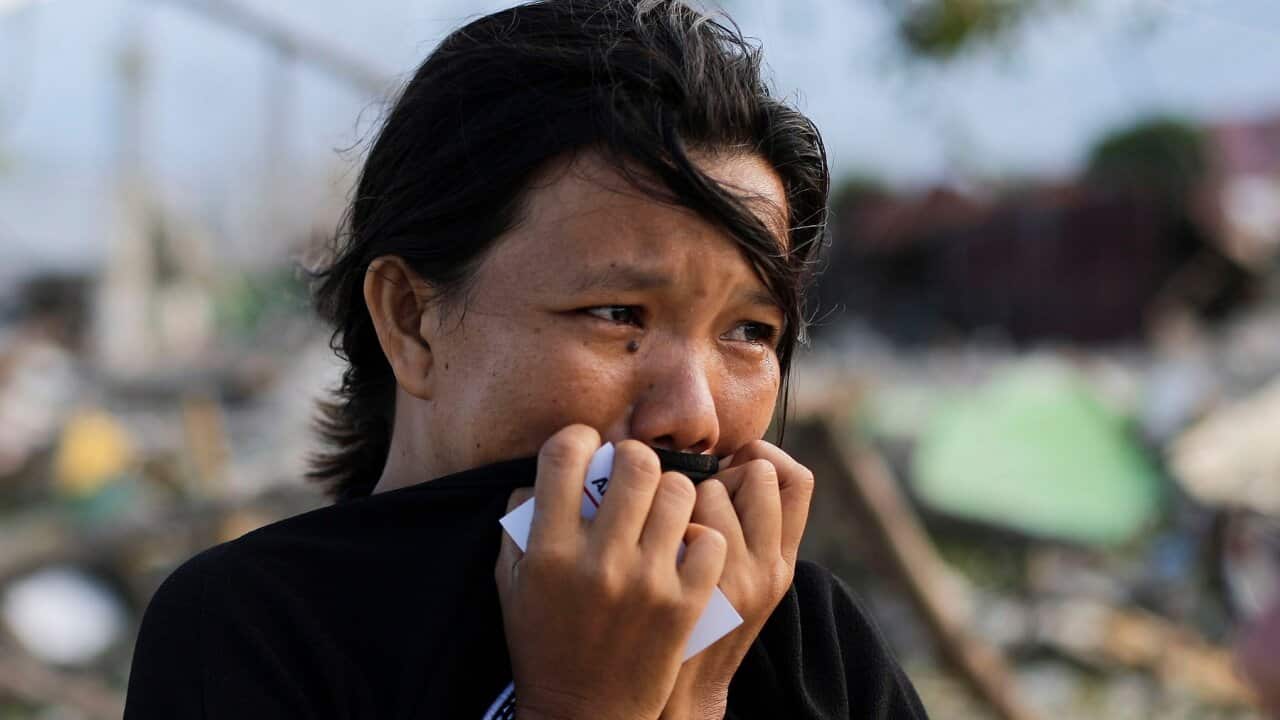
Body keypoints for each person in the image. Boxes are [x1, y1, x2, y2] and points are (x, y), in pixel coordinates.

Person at [123, 1, 928, 717]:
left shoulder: (797, 636)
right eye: (618, 315)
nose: (694, 412)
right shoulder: (258, 630)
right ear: (411, 321)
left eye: (749, 332)